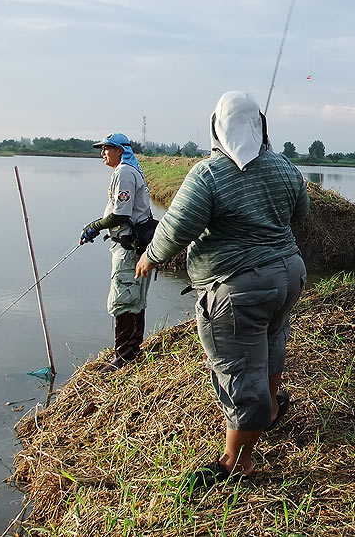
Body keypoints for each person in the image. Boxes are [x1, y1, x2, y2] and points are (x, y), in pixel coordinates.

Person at [135, 91, 310, 489]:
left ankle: (237, 463)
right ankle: (266, 416)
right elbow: (301, 213)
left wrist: (150, 257)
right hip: (288, 276)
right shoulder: (284, 166)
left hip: (239, 289)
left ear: (217, 126)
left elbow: (177, 227)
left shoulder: (209, 174)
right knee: (270, 346)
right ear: (259, 125)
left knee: (241, 371)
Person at [79, 132, 153, 372]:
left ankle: (122, 358)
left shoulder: (123, 172)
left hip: (128, 248)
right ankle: (132, 350)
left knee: (122, 301)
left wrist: (94, 226)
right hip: (136, 245)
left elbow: (121, 214)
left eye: (106, 148)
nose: (103, 152)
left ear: (120, 150)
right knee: (135, 300)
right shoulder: (132, 170)